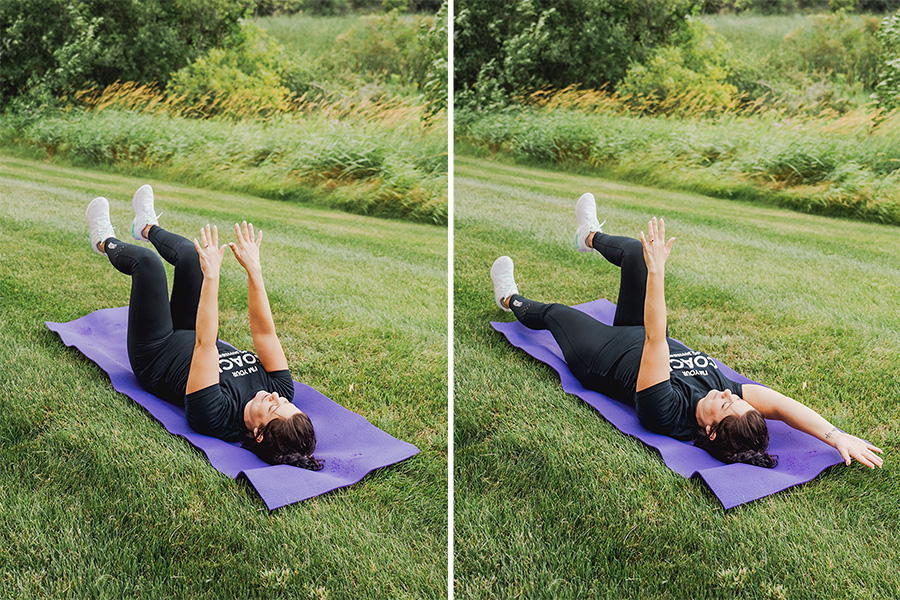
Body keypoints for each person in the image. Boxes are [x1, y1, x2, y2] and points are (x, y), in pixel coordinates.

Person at [490, 192, 883, 469]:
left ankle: (509, 299)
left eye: (728, 404)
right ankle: (588, 236)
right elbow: (781, 405)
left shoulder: (667, 412)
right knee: (634, 257)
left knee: (558, 313)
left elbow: (658, 337)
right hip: (639, 334)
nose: (730, 392)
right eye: (736, 399)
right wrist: (836, 436)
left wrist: (659, 272)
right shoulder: (724, 398)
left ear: (709, 432)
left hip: (603, 354)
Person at [85, 184, 323, 470]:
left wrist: (212, 276)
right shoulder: (281, 389)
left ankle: (104, 240)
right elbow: (264, 333)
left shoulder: (215, 416)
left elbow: (206, 344)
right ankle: (145, 226)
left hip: (156, 353)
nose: (276, 396)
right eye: (284, 401)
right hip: (192, 331)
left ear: (258, 434)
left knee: (148, 264)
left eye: (273, 407)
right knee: (188, 255)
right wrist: (254, 269)